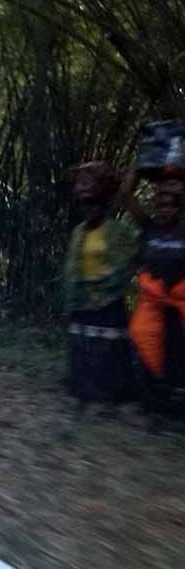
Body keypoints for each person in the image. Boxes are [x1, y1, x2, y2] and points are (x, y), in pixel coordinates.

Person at [60, 162, 137, 409]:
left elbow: (128, 261)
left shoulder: (117, 231)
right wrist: (72, 294)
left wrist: (105, 285)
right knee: (81, 345)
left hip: (106, 300)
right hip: (82, 298)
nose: (87, 209)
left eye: (92, 204)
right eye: (84, 204)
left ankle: (107, 397)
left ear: (103, 202)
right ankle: (81, 392)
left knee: (107, 349)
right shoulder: (78, 232)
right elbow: (71, 268)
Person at [119, 171, 185, 411]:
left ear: (178, 208)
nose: (164, 209)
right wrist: (141, 168)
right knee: (144, 341)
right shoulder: (149, 228)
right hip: (153, 302)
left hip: (179, 301)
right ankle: (152, 400)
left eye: (170, 205)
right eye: (160, 204)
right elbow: (125, 195)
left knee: (178, 348)